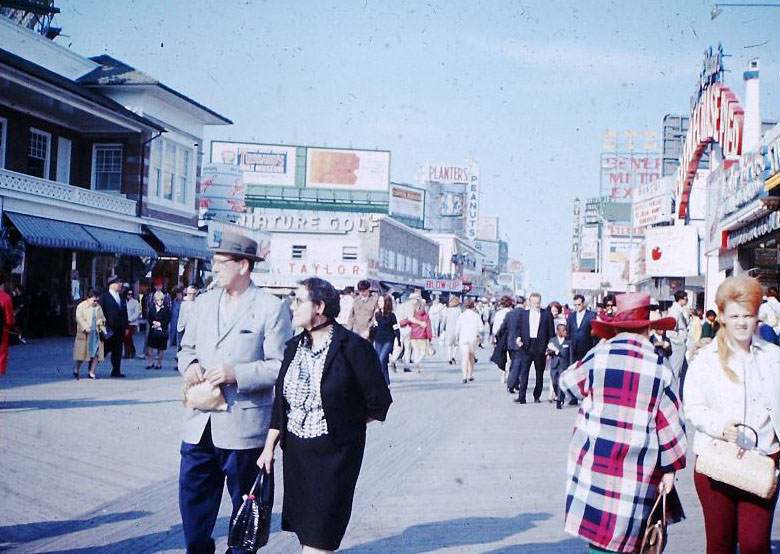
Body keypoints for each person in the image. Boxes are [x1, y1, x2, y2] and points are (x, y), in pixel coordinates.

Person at [257, 277, 392, 554]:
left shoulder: (353, 348)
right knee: (308, 532)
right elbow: (281, 403)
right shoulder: (293, 347)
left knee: (321, 538)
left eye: (298, 300)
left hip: (335, 458)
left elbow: (379, 403)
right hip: (297, 455)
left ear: (319, 306)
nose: (292, 306)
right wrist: (269, 446)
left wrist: (345, 423)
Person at [177, 231, 292, 554]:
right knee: (193, 501)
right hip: (199, 422)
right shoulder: (203, 302)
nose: (215, 269)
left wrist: (236, 374)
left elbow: (280, 365)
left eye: (221, 263)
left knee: (247, 505)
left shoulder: (270, 307)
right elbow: (185, 350)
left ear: (244, 265)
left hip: (244, 428)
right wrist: (189, 367)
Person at [559, 292, 687, 553]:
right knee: (630, 533)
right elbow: (671, 427)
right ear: (648, 328)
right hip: (638, 468)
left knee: (599, 536)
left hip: (596, 460)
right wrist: (671, 469)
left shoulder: (599, 355)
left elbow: (567, 383)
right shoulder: (660, 367)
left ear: (615, 327)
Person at [684, 276, 780, 554]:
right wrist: (719, 427)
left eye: (748, 315)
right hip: (718, 463)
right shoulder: (705, 360)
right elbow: (692, 407)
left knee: (754, 544)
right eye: (735, 315)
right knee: (720, 544)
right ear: (722, 316)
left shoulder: (773, 357)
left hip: (763, 461)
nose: (742, 322)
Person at [509, 292, 555, 404]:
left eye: (538, 303)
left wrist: (550, 347)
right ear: (529, 302)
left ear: (541, 302)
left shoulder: (547, 315)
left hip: (540, 346)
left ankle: (537, 396)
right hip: (526, 346)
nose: (536, 305)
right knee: (523, 372)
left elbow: (551, 332)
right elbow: (518, 328)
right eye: (534, 303)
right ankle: (522, 397)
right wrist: (518, 338)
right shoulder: (523, 314)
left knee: (539, 373)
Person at [99, 275, 128, 378]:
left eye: (120, 282)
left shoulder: (121, 297)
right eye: (118, 282)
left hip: (119, 329)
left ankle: (116, 370)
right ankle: (92, 367)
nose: (120, 285)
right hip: (108, 329)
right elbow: (101, 313)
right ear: (111, 284)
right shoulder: (104, 297)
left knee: (118, 351)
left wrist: (126, 327)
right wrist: (102, 328)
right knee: (104, 350)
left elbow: (124, 313)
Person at [73, 289, 106, 380]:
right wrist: (85, 327)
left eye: (97, 300)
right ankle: (76, 368)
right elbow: (79, 318)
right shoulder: (81, 306)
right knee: (82, 354)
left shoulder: (98, 307)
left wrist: (101, 322)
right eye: (94, 300)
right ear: (88, 298)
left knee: (96, 354)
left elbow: (103, 318)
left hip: (96, 334)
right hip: (85, 334)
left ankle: (92, 372)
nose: (96, 302)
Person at [372, 294, 400, 385]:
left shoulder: (392, 316)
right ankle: (386, 383)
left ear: (387, 302)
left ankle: (377, 382)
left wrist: (398, 341)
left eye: (382, 301)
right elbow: (375, 328)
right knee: (382, 362)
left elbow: (396, 329)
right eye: (379, 301)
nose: (380, 303)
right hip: (378, 340)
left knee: (381, 360)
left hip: (388, 341)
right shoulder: (377, 314)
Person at [400, 296, 432, 373]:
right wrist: (430, 338)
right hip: (422, 336)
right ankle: (416, 362)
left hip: (413, 336)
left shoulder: (414, 315)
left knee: (416, 351)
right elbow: (428, 328)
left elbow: (404, 322)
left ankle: (416, 368)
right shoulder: (426, 317)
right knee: (423, 352)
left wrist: (402, 325)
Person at [456, 298, 483, 384]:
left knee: (464, 357)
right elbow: (481, 328)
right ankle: (470, 375)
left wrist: (457, 337)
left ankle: (464, 376)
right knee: (471, 356)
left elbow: (457, 329)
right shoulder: (476, 316)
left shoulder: (462, 315)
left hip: (463, 338)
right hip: (473, 338)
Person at [567, 294, 598, 365]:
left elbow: (594, 332)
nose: (577, 307)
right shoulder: (571, 315)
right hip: (573, 347)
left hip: (587, 347)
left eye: (579, 304)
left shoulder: (591, 315)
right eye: (575, 305)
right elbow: (569, 331)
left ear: (583, 303)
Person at [546, 324, 570, 409]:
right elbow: (548, 351)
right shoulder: (552, 340)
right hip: (554, 364)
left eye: (565, 330)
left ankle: (560, 400)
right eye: (563, 330)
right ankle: (557, 394)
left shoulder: (568, 342)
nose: (565, 332)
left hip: (563, 365)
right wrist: (549, 351)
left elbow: (570, 356)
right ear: (558, 331)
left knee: (561, 383)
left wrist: (571, 366)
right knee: (554, 382)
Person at [146, 291, 171, 370]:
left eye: (161, 300)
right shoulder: (152, 308)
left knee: (161, 348)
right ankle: (151, 362)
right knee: (149, 347)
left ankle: (159, 363)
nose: (160, 301)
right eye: (158, 300)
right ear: (154, 300)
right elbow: (149, 318)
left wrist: (160, 324)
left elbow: (167, 320)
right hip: (153, 330)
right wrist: (153, 322)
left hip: (162, 331)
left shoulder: (166, 309)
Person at [668, 290, 689, 380]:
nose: (687, 301)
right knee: (675, 371)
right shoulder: (675, 311)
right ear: (680, 299)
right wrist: (680, 340)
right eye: (686, 299)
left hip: (681, 344)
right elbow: (671, 331)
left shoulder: (679, 310)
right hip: (677, 345)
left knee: (682, 372)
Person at [176, 284, 198, 350]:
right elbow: (181, 316)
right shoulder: (183, 303)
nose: (191, 295)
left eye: (193, 294)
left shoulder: (198, 303)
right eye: (189, 294)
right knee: (180, 346)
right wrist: (179, 326)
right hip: (182, 328)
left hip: (192, 329)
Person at [441, 296, 461, 365]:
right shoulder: (459, 310)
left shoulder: (447, 310)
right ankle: (454, 356)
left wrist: (443, 329)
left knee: (449, 345)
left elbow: (444, 321)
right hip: (457, 330)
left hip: (449, 329)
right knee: (456, 344)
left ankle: (449, 358)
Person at [124, 288, 141, 358]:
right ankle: (127, 353)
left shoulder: (135, 302)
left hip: (132, 323)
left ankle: (132, 351)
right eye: (128, 294)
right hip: (124, 323)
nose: (130, 295)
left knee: (129, 337)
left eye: (131, 294)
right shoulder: (123, 301)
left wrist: (130, 319)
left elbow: (136, 313)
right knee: (125, 338)